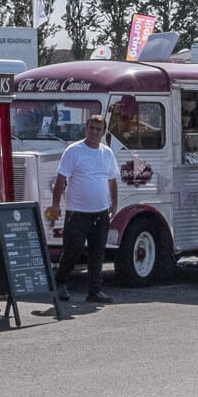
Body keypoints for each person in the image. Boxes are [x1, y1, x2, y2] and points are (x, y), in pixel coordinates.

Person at [49, 112, 120, 303]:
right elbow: (61, 181)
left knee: (97, 253)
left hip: (100, 212)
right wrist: (55, 205)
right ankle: (60, 281)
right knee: (73, 250)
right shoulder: (73, 151)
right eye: (91, 128)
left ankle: (95, 291)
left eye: (98, 129)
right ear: (86, 129)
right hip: (77, 213)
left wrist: (115, 203)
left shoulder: (107, 153)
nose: (94, 132)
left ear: (104, 132)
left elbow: (112, 181)